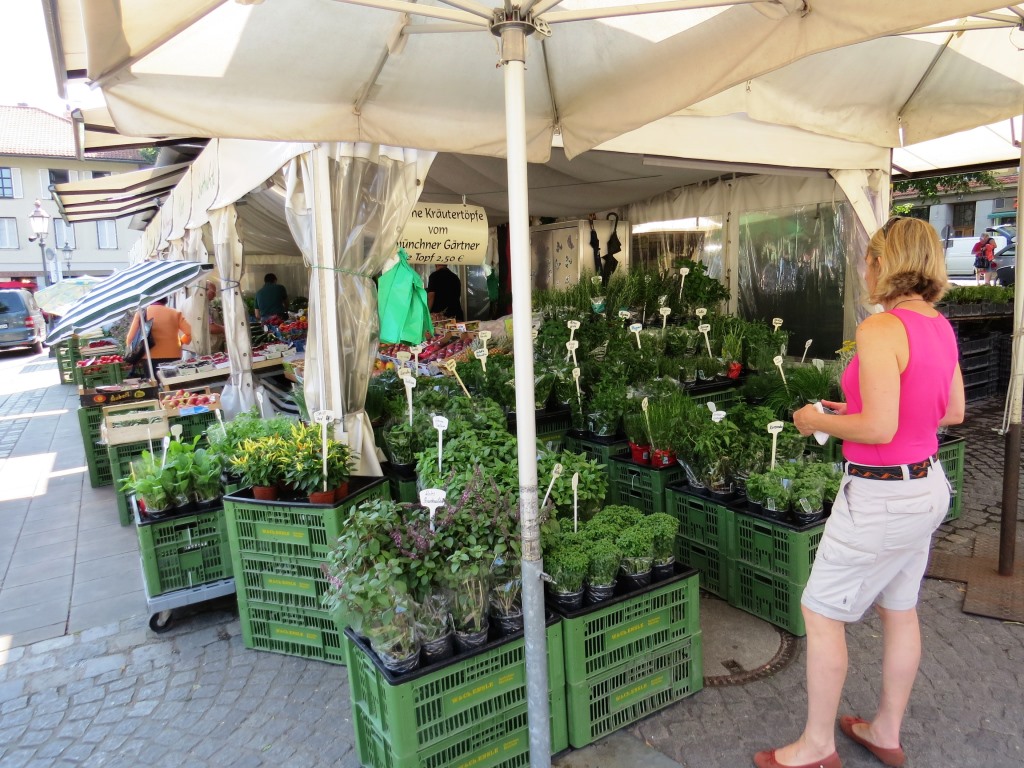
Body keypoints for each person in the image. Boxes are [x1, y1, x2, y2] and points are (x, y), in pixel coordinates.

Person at [755, 217, 965, 768]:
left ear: (884, 263)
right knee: (901, 609)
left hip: (880, 497)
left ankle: (817, 746)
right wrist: (850, 412)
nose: (862, 270)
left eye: (867, 261)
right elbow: (952, 411)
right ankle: (885, 730)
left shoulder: (880, 329)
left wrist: (810, 419)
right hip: (926, 485)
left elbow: (878, 429)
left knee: (821, 612)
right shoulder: (940, 326)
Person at [126, 298, 192, 376]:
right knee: (173, 383)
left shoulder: (141, 314)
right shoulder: (175, 313)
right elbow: (190, 332)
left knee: (155, 384)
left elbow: (130, 339)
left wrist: (134, 355)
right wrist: (180, 342)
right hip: (173, 354)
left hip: (149, 356)